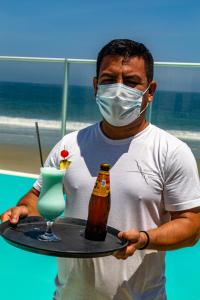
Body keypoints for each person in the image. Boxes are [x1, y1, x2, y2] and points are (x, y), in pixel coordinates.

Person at [1, 39, 200, 300]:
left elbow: (191, 226)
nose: (118, 91)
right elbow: (36, 196)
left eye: (130, 82)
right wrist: (25, 210)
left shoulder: (171, 151)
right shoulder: (69, 146)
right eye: (108, 79)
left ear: (150, 91)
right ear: (96, 86)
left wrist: (145, 238)